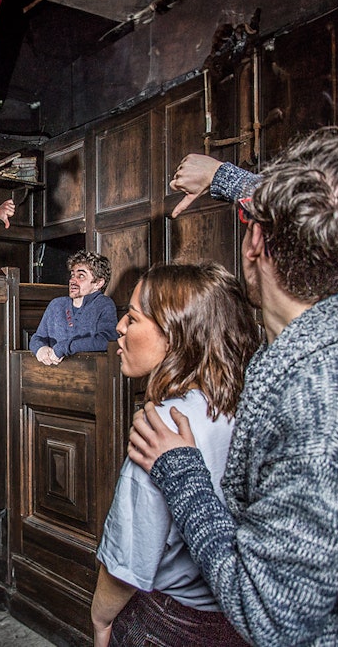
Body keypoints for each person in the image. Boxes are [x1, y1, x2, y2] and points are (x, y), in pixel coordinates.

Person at [128, 128, 338, 644]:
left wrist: (182, 471)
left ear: (254, 242)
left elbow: (267, 614)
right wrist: (226, 179)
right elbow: (317, 214)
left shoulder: (319, 413)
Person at [91, 262, 258, 647]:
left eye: (133, 318)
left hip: (170, 621)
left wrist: (100, 620)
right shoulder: (248, 404)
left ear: (175, 335)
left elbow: (127, 561)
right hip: (240, 621)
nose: (119, 327)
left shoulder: (162, 427)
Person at [29, 250, 118, 365]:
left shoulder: (104, 304)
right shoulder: (56, 305)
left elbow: (107, 340)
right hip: (52, 372)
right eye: (72, 275)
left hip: (88, 372)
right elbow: (37, 337)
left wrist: (65, 348)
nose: (72, 281)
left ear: (98, 283)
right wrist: (40, 348)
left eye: (81, 276)